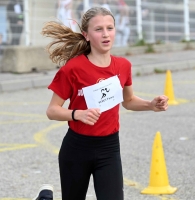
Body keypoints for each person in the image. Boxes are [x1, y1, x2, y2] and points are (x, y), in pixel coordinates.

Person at [33, 7, 169, 200]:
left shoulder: (123, 66)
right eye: (98, 29)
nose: (106, 34)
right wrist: (77, 114)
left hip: (109, 148)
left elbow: (128, 101)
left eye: (110, 28)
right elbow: (52, 111)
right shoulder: (73, 69)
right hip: (77, 149)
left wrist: (151, 104)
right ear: (86, 35)